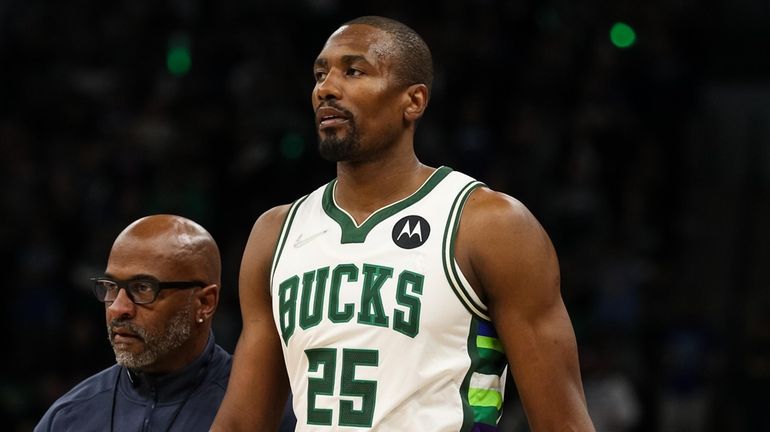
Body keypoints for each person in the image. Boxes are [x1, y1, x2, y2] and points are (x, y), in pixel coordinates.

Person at [213, 16, 595, 431]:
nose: (326, 88)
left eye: (353, 71)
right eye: (320, 74)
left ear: (413, 102)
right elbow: (241, 423)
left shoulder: (487, 224)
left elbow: (564, 423)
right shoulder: (276, 234)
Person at [35, 214, 231, 431]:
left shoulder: (259, 407)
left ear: (204, 303)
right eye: (111, 286)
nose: (117, 308)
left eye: (142, 288)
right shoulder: (67, 418)